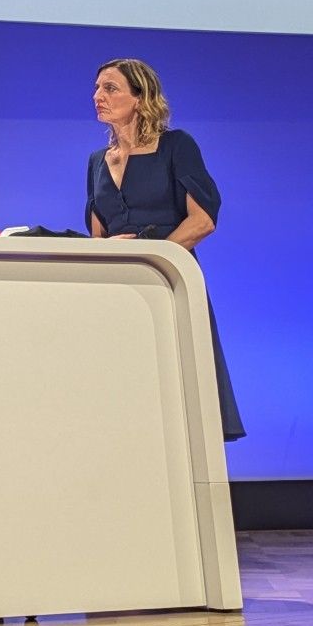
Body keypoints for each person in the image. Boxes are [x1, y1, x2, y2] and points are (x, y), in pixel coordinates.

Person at [86, 59, 243, 442]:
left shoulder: (176, 146)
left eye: (111, 88)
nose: (98, 96)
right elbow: (98, 235)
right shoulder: (95, 162)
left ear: (140, 98)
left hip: (169, 280)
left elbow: (203, 220)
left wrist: (154, 259)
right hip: (121, 288)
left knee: (179, 383)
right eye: (96, 88)